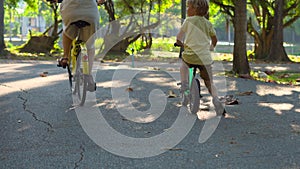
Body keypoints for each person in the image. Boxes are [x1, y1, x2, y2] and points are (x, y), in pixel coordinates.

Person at [176, 0, 226, 116]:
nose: (187, 9)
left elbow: (178, 38)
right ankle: (216, 100)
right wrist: (211, 48)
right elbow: (214, 40)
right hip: (205, 58)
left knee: (183, 65)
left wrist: (181, 44)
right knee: (209, 82)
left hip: (190, 56)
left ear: (194, 9)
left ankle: (184, 84)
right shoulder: (208, 23)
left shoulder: (188, 21)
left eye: (188, 7)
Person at [57, 0, 105, 92]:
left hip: (71, 11)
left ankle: (65, 57)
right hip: (90, 13)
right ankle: (89, 75)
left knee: (67, 33)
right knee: (90, 46)